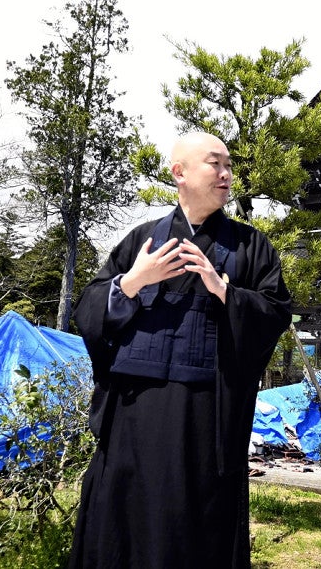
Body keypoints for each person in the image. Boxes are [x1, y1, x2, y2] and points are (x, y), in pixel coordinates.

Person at [68, 131, 292, 569]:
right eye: (216, 164)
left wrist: (225, 291)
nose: (227, 174)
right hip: (134, 414)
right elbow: (88, 312)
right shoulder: (141, 242)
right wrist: (133, 282)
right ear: (179, 173)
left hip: (205, 418)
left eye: (230, 165)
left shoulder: (252, 247)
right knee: (124, 519)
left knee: (197, 526)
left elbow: (276, 313)